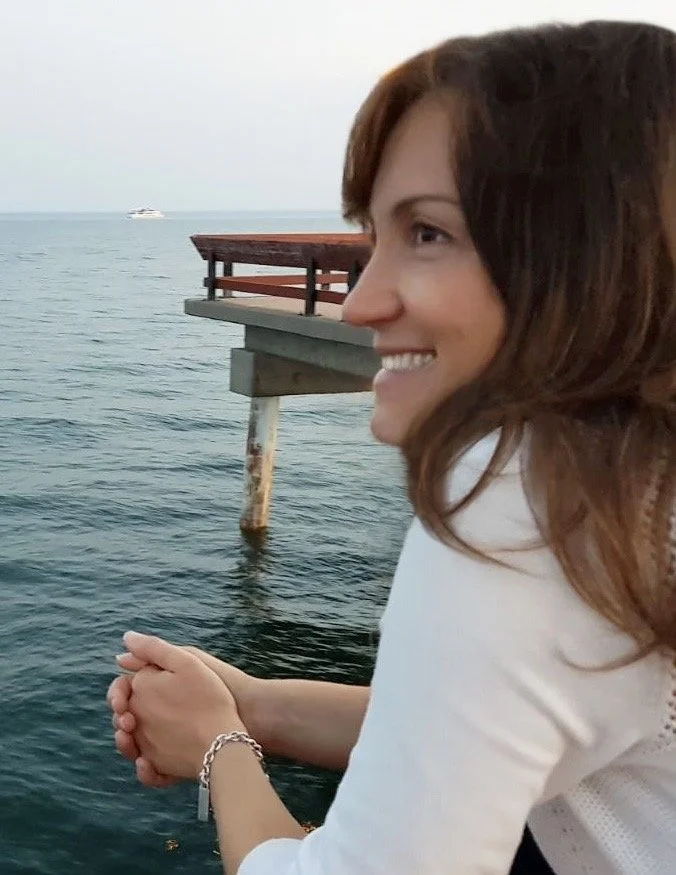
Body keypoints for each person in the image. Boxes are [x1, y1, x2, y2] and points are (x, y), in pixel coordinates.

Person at [107, 19, 676, 874]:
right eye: (375, 235)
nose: (363, 301)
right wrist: (252, 701)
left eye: (430, 234)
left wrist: (219, 746)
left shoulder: (528, 507)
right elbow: (484, 717)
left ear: (589, 253)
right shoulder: (637, 483)